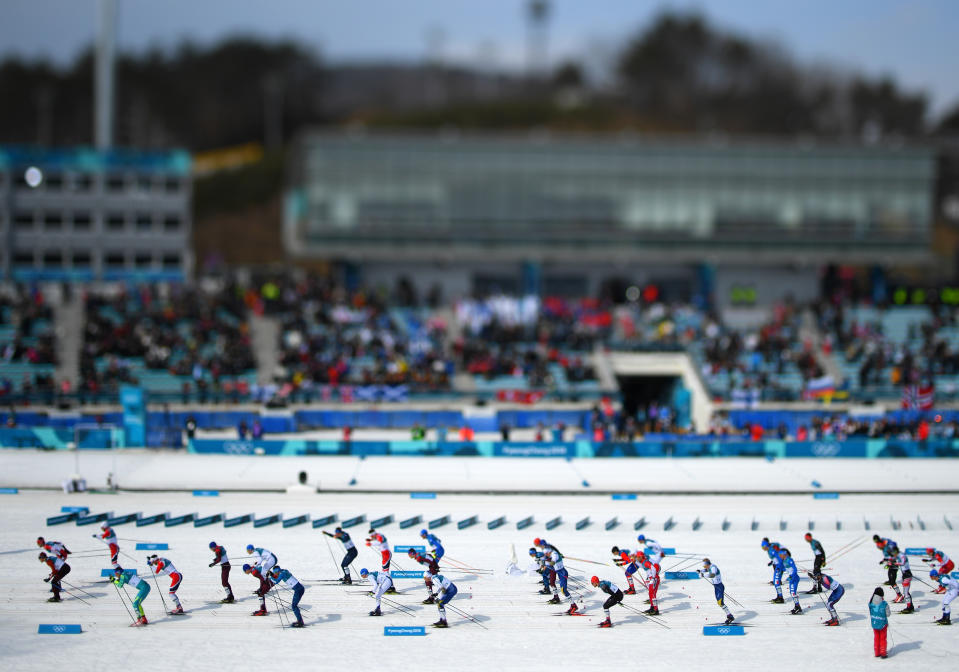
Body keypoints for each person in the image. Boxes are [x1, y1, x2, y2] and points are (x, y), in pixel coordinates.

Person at [698, 558, 735, 624]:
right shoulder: (709, 567)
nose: (704, 567)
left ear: (707, 564)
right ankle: (729, 615)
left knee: (720, 602)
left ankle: (730, 616)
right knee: (719, 603)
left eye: (705, 566)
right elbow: (706, 570)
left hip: (719, 587)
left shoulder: (713, 567)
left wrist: (703, 575)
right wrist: (700, 571)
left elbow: (713, 575)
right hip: (716, 587)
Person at [869, 587, 890, 658]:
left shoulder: (871, 602)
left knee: (876, 637)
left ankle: (877, 652)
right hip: (883, 624)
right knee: (883, 638)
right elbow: (888, 614)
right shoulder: (884, 604)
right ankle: (883, 652)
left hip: (874, 623)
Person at [779, 548, 802, 614]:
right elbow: (785, 568)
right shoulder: (784, 560)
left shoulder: (789, 560)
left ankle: (798, 607)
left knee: (793, 593)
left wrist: (792, 576)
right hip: (791, 578)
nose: (780, 556)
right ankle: (797, 606)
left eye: (780, 555)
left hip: (794, 578)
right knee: (792, 593)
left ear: (784, 554)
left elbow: (795, 569)